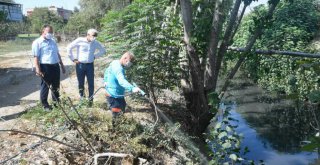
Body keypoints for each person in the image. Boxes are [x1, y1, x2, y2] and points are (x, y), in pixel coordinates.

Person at [67, 29, 106, 105]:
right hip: (80, 65)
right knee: (81, 83)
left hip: (90, 66)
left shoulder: (95, 43)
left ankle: (90, 100)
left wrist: (95, 56)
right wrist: (73, 59)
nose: (94, 37)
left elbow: (103, 50)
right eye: (93, 35)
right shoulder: (80, 40)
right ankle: (82, 99)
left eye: (95, 36)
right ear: (88, 35)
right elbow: (69, 47)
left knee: (91, 83)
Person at [32, 24, 66, 111]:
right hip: (45, 67)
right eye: (49, 31)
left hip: (55, 66)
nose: (50, 33)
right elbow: (36, 57)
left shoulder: (53, 41)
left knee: (56, 86)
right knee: (45, 86)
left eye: (51, 32)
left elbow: (57, 54)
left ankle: (56, 103)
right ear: (43, 31)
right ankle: (45, 105)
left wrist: (62, 65)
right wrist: (38, 69)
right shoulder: (37, 42)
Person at [104, 52, 141, 124]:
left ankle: (119, 126)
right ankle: (115, 130)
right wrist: (132, 88)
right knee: (116, 114)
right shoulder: (119, 69)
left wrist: (105, 80)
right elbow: (121, 81)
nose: (129, 65)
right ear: (125, 58)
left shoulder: (114, 62)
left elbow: (107, 71)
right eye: (129, 62)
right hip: (113, 95)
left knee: (123, 108)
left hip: (119, 94)